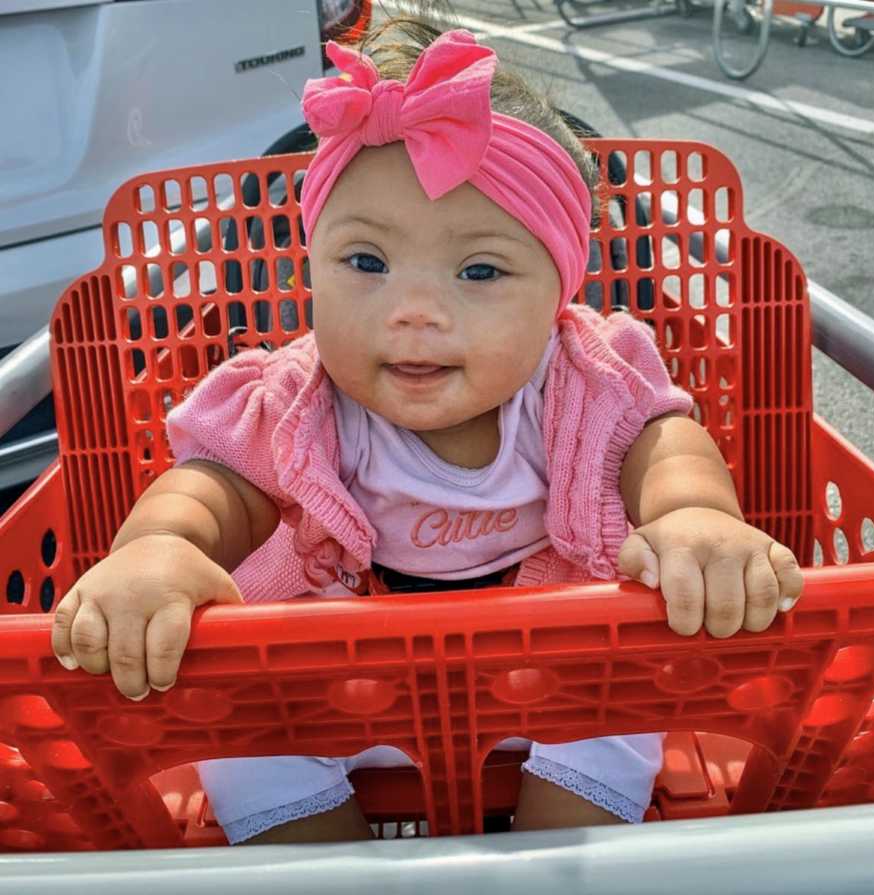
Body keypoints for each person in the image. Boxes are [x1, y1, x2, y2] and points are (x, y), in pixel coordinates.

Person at [50, 8, 803, 846]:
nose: (412, 312)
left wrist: (693, 518)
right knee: (237, 731)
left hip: (552, 674)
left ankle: (552, 856)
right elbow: (214, 487)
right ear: (312, 268)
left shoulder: (586, 376)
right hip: (346, 681)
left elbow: (665, 441)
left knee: (629, 697)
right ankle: (323, 862)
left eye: (479, 270)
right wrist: (162, 550)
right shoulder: (299, 399)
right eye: (364, 263)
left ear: (558, 292)